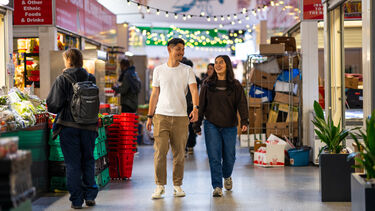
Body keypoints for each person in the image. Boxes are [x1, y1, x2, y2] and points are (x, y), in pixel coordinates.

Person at [146, 38, 199, 199]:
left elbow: (194, 90)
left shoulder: (187, 70)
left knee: (179, 154)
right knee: (160, 152)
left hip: (181, 117)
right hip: (161, 116)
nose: (181, 52)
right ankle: (160, 185)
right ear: (169, 49)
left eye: (183, 49)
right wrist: (149, 116)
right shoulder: (159, 70)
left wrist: (195, 108)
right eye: (178, 49)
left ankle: (177, 185)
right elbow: (154, 94)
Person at [47, 48, 99, 209]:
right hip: (90, 127)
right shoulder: (90, 77)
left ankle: (76, 201)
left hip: (69, 128)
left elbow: (53, 105)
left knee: (73, 164)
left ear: (68, 61)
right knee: (89, 160)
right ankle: (90, 195)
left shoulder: (62, 79)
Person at [193, 55, 249, 197]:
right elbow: (202, 106)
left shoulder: (235, 85)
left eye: (221, 63)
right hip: (211, 125)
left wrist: (244, 121)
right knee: (214, 156)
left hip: (230, 125)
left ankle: (227, 175)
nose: (218, 65)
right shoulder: (207, 84)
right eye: (216, 63)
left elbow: (242, 104)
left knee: (230, 157)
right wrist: (197, 124)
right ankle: (217, 186)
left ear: (227, 65)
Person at [180, 57, 201, 154]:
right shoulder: (195, 78)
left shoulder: (183, 77)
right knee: (190, 127)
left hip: (184, 105)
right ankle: (190, 145)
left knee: (183, 128)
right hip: (191, 105)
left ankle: (185, 147)